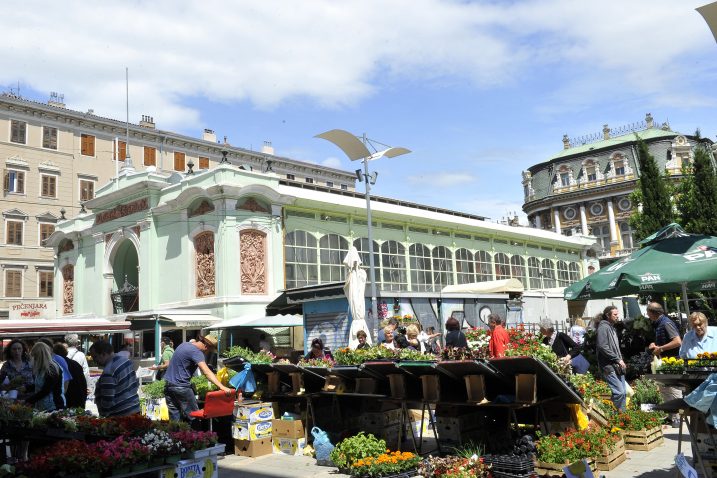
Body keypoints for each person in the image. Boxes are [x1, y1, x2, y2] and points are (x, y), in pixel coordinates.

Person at [164, 335, 233, 423]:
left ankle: (174, 436)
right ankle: (197, 436)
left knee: (174, 419)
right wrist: (222, 386)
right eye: (209, 351)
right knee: (194, 417)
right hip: (182, 387)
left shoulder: (184, 345)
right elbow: (206, 372)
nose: (207, 353)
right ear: (206, 346)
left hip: (168, 386)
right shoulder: (196, 352)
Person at [646, 301, 683, 426]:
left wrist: (660, 348)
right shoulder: (659, 323)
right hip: (665, 361)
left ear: (653, 313)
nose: (647, 315)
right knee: (665, 389)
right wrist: (655, 345)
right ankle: (671, 416)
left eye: (648, 312)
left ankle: (678, 418)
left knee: (674, 389)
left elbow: (678, 341)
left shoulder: (666, 323)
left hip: (672, 362)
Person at [89, 340, 140, 417]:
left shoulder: (108, 371)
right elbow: (135, 384)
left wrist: (103, 415)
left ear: (103, 354)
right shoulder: (126, 361)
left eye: (95, 357)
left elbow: (107, 401)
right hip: (135, 408)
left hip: (120, 416)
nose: (94, 360)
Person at [596, 305, 627, 411]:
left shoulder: (611, 327)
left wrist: (619, 360)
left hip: (617, 365)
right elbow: (602, 346)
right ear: (607, 315)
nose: (617, 316)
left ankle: (623, 417)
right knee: (619, 392)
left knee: (623, 392)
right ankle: (616, 417)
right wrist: (617, 359)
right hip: (608, 366)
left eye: (617, 314)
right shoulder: (603, 327)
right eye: (615, 314)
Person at [25, 342, 64, 412]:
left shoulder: (52, 369)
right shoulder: (41, 368)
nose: (34, 359)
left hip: (53, 407)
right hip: (42, 406)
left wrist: (28, 401)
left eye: (35, 357)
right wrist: (26, 388)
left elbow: (46, 390)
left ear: (40, 356)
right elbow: (40, 385)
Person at [53, 343, 87, 409]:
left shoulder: (56, 365)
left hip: (67, 399)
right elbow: (83, 382)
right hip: (78, 397)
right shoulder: (75, 364)